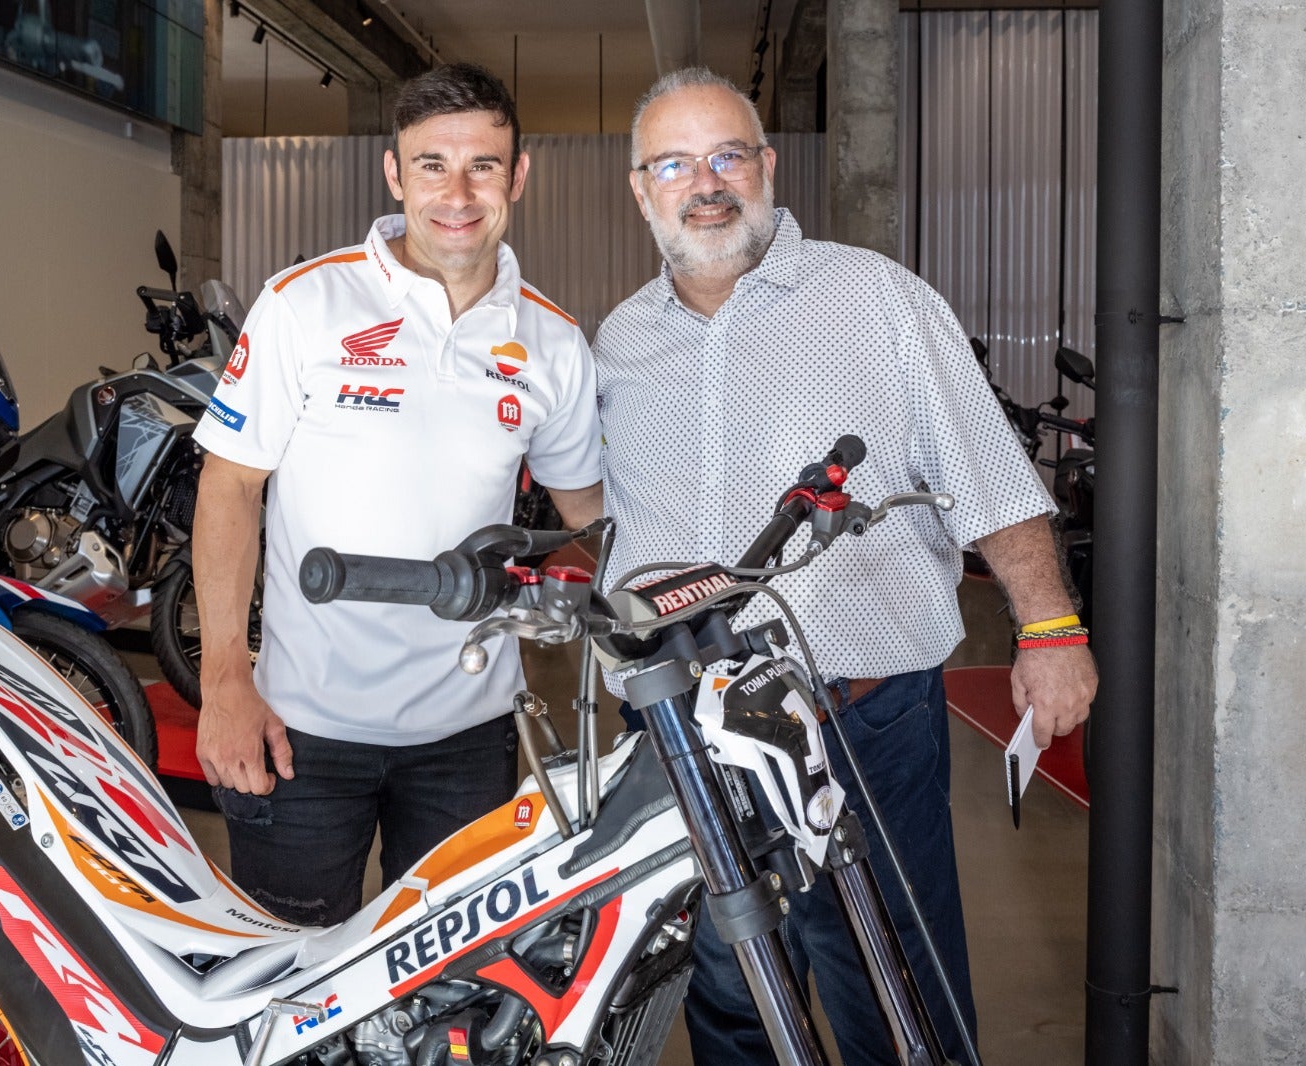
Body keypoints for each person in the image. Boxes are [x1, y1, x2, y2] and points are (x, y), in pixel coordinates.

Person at [594, 68, 1098, 1065]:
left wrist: (1048, 628)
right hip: (686, 732)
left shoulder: (876, 298)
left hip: (856, 719)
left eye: (728, 154)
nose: (707, 183)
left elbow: (988, 477)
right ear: (639, 189)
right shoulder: (616, 342)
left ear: (767, 166)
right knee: (728, 988)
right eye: (675, 163)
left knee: (891, 991)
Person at [189, 63, 604, 929]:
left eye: (483, 165)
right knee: (289, 990)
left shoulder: (554, 342)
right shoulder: (304, 304)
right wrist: (225, 679)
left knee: (451, 1001)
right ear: (394, 174)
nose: (457, 193)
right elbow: (229, 484)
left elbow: (588, 516)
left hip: (469, 740)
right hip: (301, 733)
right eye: (431, 165)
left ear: (518, 177)